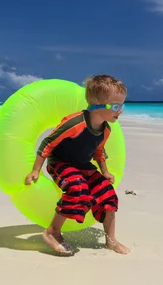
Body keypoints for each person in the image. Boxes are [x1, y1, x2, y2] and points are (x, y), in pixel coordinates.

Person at [24, 74, 130, 255]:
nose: (120, 110)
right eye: (115, 106)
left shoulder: (105, 129)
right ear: (97, 105)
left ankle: (111, 240)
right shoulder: (75, 123)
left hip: (83, 165)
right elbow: (48, 143)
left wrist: (104, 172)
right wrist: (36, 170)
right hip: (60, 163)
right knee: (77, 187)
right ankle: (52, 232)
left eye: (122, 105)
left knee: (109, 195)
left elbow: (99, 151)